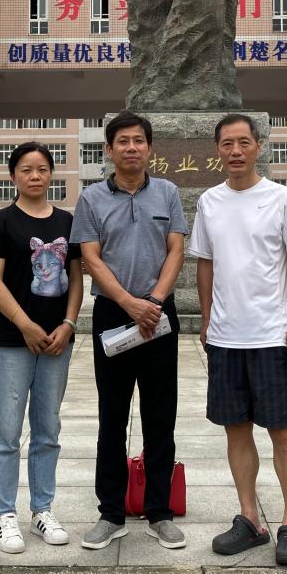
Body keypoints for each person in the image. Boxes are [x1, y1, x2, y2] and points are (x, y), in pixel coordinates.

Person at [192, 114, 287, 567]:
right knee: (236, 428)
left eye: (243, 142)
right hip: (226, 337)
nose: (236, 151)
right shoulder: (209, 201)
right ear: (218, 150)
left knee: (282, 430)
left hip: (272, 334)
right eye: (227, 143)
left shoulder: (283, 199)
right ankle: (249, 518)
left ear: (258, 147)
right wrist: (207, 318)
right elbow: (204, 262)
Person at [71, 110, 188, 551]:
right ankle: (111, 513)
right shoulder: (91, 198)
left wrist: (153, 301)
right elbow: (91, 257)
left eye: (139, 140)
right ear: (109, 149)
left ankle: (160, 512)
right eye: (123, 141)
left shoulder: (168, 192)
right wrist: (129, 303)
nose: (131, 147)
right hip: (113, 314)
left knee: (161, 415)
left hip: (159, 315)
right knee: (112, 416)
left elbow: (176, 250)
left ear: (149, 147)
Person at [0, 143, 84, 554]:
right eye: (26, 169)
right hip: (10, 341)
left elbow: (75, 279)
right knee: (7, 431)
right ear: (14, 176)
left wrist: (68, 324)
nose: (35, 175)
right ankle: (5, 515)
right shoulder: (1, 222)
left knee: (47, 430)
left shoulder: (67, 221)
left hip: (57, 342)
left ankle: (42, 510)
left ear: (52, 174)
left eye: (42, 168)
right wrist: (25, 325)